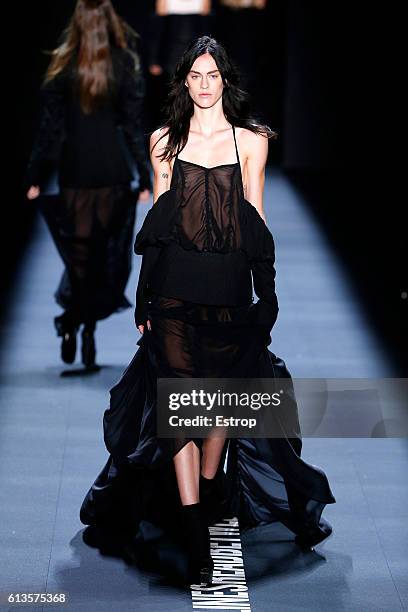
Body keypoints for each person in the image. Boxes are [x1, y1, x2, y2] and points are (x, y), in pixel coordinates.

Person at [80, 36, 336, 586]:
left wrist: (265, 294)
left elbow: (258, 224)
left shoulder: (251, 144)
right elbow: (154, 231)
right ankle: (198, 534)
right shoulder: (163, 143)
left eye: (211, 76)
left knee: (216, 402)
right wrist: (145, 296)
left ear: (225, 81)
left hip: (227, 290)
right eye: (194, 76)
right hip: (173, 289)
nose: (203, 85)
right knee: (178, 401)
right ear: (184, 83)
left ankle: (211, 480)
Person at [25, 0, 152, 369]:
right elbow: (131, 125)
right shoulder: (124, 64)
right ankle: (85, 329)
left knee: (82, 261)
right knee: (104, 259)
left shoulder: (64, 66)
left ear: (77, 22)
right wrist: (143, 175)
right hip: (112, 172)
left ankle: (71, 321)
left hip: (76, 173)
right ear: (111, 20)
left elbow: (49, 130)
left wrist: (34, 175)